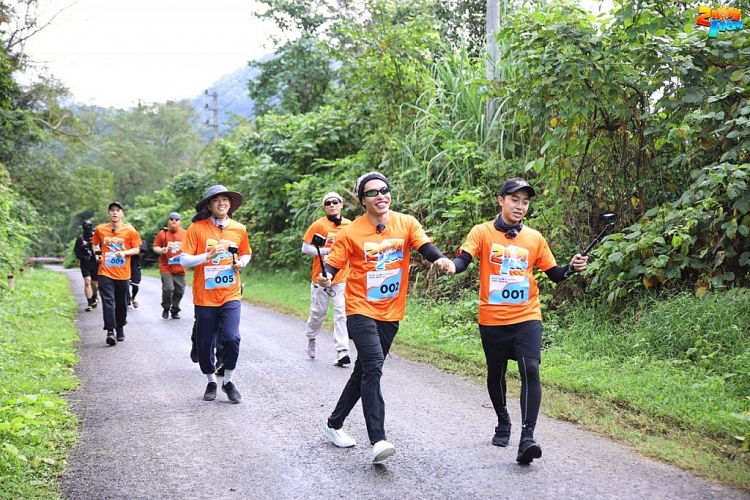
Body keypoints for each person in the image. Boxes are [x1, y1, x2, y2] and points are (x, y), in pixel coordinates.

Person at [446, 177, 588, 464]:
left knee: (530, 368)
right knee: (495, 370)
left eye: (525, 202)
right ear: (501, 200)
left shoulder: (535, 238)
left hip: (527, 315)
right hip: (493, 318)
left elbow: (556, 274)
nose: (520, 206)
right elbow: (464, 259)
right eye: (515, 200)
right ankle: (502, 421)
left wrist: (572, 268)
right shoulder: (482, 232)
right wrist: (452, 265)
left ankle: (527, 437)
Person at [318, 172, 453, 463]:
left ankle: (333, 424)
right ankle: (377, 439)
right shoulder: (351, 231)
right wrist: (326, 276)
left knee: (364, 370)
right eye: (372, 193)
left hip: (391, 311)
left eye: (384, 190)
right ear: (362, 200)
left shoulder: (405, 223)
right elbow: (332, 264)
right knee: (375, 365)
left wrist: (440, 258)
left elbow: (423, 245)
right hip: (360, 308)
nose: (381, 196)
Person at [180, 185, 251, 404]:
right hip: (205, 296)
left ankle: (228, 381)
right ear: (209, 205)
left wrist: (241, 263)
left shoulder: (239, 229)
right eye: (216, 200)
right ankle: (211, 380)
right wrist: (207, 255)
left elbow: (246, 253)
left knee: (232, 337)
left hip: (230, 293)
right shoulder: (197, 229)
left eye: (225, 199)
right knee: (205, 342)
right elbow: (184, 260)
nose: (222, 203)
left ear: (230, 204)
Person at [302, 192, 352, 366]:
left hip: (342, 277)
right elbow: (305, 248)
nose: (332, 205)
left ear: (341, 204)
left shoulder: (349, 225)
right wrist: (325, 251)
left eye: (335, 202)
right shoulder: (319, 225)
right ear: (325, 207)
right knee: (319, 313)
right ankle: (311, 337)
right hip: (321, 277)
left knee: (341, 313)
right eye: (328, 203)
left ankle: (342, 351)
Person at [91, 202, 143, 346]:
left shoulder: (130, 231)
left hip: (123, 274)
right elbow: (95, 243)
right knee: (108, 302)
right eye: (112, 210)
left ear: (122, 214)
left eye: (117, 211)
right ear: (108, 214)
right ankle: (110, 331)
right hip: (105, 272)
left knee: (121, 304)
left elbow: (136, 249)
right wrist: (97, 255)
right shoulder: (100, 230)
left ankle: (120, 326)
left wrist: (125, 252)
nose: (114, 213)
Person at [153, 212, 187, 319]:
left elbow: (191, 248)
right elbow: (155, 247)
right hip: (166, 267)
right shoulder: (162, 233)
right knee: (168, 289)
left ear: (179, 222)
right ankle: (166, 307)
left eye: (176, 219)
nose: (174, 221)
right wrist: (161, 250)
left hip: (180, 267)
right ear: (169, 221)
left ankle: (175, 310)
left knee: (180, 291)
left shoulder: (185, 234)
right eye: (172, 219)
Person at [74, 218, 100, 311]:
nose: (88, 228)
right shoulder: (80, 239)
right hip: (85, 263)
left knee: (95, 285)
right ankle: (89, 303)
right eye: (86, 227)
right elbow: (77, 252)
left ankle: (94, 296)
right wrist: (82, 258)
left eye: (90, 226)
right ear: (83, 228)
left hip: (95, 263)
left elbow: (100, 249)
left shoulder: (96, 237)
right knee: (87, 281)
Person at [127, 238, 148, 310]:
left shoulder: (138, 240)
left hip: (135, 265)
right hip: (125, 266)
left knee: (135, 285)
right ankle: (127, 303)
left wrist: (134, 251)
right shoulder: (121, 240)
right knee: (125, 286)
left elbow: (142, 252)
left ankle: (133, 298)